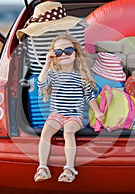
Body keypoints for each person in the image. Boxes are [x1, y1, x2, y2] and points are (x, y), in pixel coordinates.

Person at [34, 34, 104, 183]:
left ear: (76, 53)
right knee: (45, 133)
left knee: (68, 131)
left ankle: (69, 168)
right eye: (58, 52)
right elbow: (41, 84)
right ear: (55, 56)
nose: (64, 54)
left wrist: (97, 112)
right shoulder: (53, 74)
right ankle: (42, 168)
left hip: (74, 116)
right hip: (56, 115)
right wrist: (47, 64)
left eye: (68, 50)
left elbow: (89, 96)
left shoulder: (81, 76)